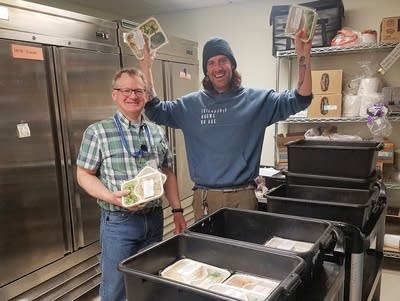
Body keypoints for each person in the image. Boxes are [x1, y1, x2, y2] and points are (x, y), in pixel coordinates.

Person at [140, 30, 312, 220]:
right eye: (211, 63)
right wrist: (146, 67)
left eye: (223, 60)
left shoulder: (258, 101)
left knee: (243, 249)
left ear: (232, 64)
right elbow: (155, 110)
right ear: (206, 70)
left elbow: (301, 99)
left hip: (243, 198)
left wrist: (303, 57)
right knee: (205, 250)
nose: (217, 67)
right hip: (204, 199)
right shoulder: (190, 105)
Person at [76, 68, 186, 301]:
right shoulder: (98, 132)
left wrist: (177, 210)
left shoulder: (157, 132)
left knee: (150, 282)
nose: (133, 95)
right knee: (115, 288)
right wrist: (110, 197)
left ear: (146, 95)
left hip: (155, 219)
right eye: (126, 90)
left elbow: (168, 172)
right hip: (119, 223)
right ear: (114, 94)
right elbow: (84, 174)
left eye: (138, 90)